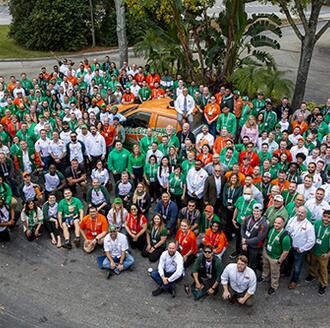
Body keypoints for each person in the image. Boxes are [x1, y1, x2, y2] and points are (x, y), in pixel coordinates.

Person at [285, 206, 315, 289]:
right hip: (290, 247)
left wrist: (302, 249)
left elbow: (311, 241)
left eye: (302, 213)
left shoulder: (309, 226)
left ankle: (294, 280)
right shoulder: (292, 219)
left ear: (306, 214)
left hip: (299, 250)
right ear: (296, 211)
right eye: (299, 212)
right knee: (288, 261)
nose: (300, 214)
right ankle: (286, 273)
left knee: (297, 266)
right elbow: (287, 230)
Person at [305, 210, 330, 296]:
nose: (326, 219)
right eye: (325, 216)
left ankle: (323, 284)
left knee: (323, 269)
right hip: (314, 249)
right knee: (312, 263)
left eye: (328, 217)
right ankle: (312, 274)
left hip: (324, 253)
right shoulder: (317, 223)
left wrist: (328, 254)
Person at [240, 203, 268, 274]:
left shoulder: (263, 224)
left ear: (261, 212)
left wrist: (246, 241)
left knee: (253, 262)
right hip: (245, 243)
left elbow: (259, 238)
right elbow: (243, 229)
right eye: (255, 211)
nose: (256, 213)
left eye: (258, 211)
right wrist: (243, 241)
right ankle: (242, 270)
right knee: (243, 258)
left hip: (254, 246)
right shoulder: (248, 218)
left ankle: (251, 275)